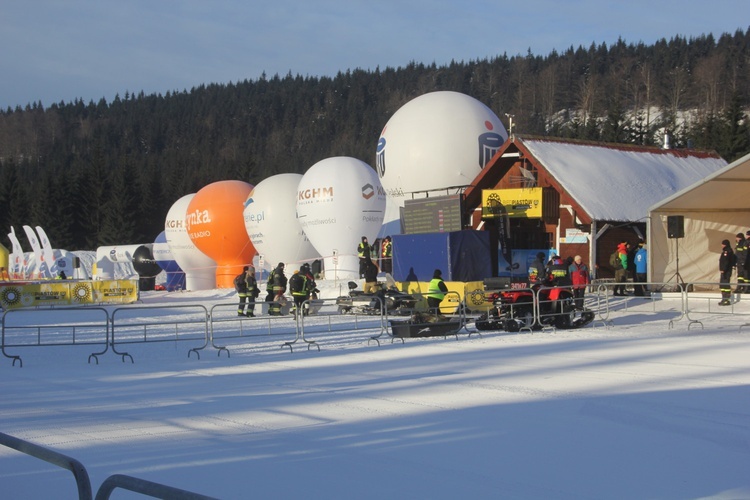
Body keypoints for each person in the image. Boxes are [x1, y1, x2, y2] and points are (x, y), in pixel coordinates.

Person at [719, 239, 735, 306]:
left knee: (725, 285)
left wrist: (723, 269)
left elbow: (726, 262)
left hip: (726, 271)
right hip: (725, 271)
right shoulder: (726, 251)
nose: (722, 245)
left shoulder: (727, 251)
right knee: (722, 285)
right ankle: (724, 298)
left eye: (723, 244)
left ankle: (727, 300)